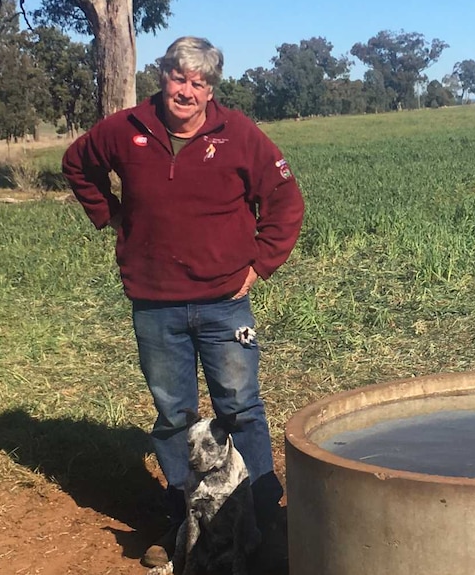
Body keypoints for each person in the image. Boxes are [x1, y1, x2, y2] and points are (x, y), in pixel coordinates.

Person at [62, 36, 305, 569]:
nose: (187, 91)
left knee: (240, 407)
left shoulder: (238, 133)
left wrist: (261, 262)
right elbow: (77, 163)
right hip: (155, 302)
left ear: (211, 88)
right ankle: (181, 517)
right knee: (173, 415)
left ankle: (264, 515)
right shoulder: (125, 129)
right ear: (163, 76)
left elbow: (286, 198)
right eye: (179, 78)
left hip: (225, 301)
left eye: (199, 82)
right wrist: (111, 215)